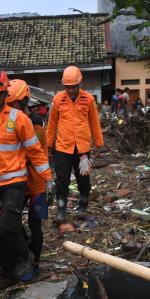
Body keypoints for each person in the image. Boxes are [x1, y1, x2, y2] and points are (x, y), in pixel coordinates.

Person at [0, 68, 54, 288]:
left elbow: (35, 151)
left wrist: (48, 179)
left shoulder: (19, 119)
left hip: (15, 184)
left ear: (5, 94)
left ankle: (26, 256)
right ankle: (8, 275)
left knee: (7, 225)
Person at [5, 79, 52, 281]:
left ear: (23, 101)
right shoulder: (10, 120)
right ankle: (25, 251)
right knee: (11, 221)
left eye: (13, 104)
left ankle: (35, 263)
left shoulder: (35, 122)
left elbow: (33, 153)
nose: (9, 109)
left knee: (35, 224)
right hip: (17, 179)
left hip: (35, 181)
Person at [46, 66, 104, 222]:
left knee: (83, 180)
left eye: (73, 87)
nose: (70, 90)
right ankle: (61, 212)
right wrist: (48, 144)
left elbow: (94, 122)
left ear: (80, 84)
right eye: (67, 87)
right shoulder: (58, 99)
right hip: (63, 149)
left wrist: (97, 144)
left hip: (83, 150)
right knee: (62, 180)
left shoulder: (89, 99)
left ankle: (83, 207)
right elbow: (52, 124)